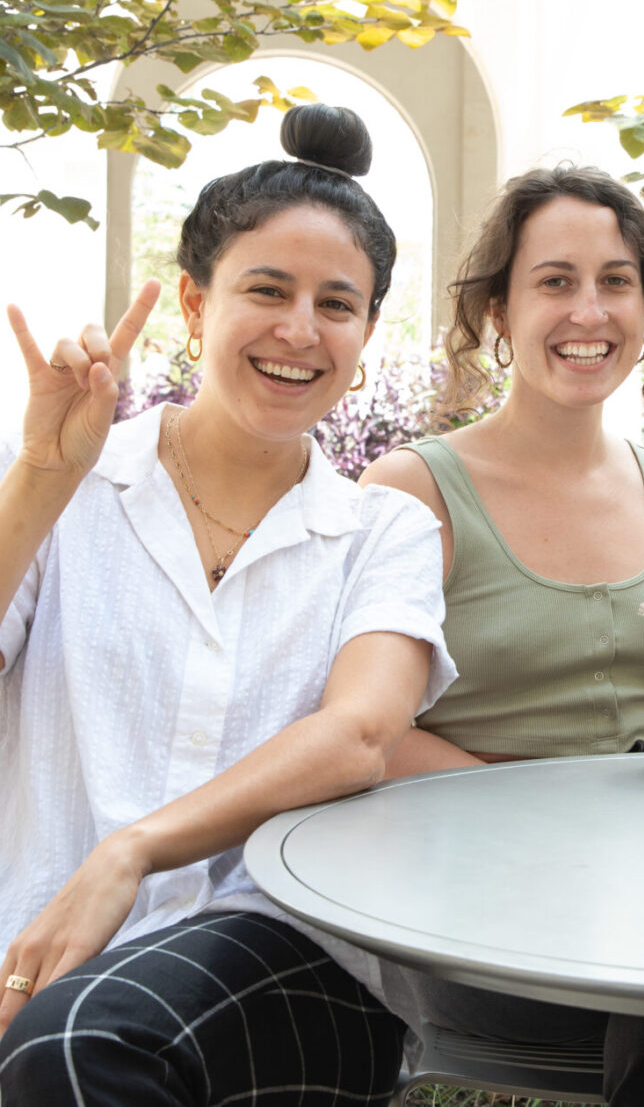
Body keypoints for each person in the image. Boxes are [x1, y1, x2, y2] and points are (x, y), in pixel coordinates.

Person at [0, 103, 456, 1107]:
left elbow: (359, 736)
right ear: (197, 306)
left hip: (289, 954)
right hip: (42, 940)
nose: (301, 330)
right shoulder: (58, 491)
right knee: (54, 1033)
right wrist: (41, 472)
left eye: (338, 304)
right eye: (267, 290)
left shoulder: (383, 533)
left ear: (369, 332)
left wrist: (133, 850)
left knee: (73, 1045)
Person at [361, 164, 644, 1106]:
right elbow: (368, 732)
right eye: (555, 281)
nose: (591, 310)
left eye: (617, 282)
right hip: (471, 914)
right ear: (499, 310)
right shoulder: (413, 492)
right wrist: (564, 815)